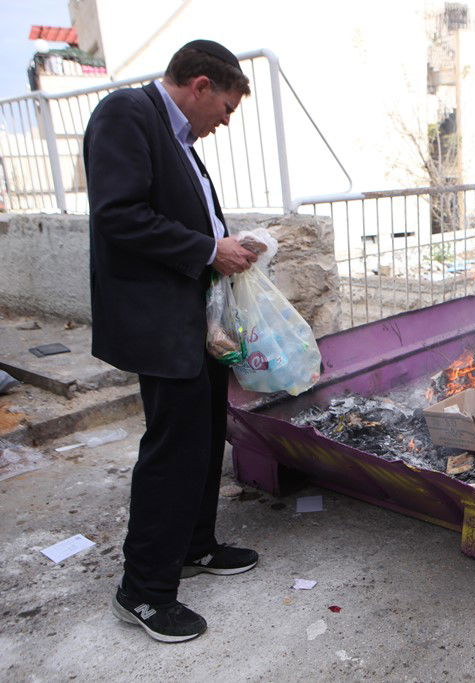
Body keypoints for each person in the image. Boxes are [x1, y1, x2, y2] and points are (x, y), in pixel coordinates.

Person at [85, 39, 260, 643]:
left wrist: (225, 243)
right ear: (201, 85)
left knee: (208, 434)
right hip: (159, 321)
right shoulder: (126, 114)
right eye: (227, 108)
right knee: (173, 448)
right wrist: (209, 249)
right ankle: (144, 591)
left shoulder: (179, 140)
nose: (225, 122)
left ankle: (195, 545)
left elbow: (181, 218)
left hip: (194, 318)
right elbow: (119, 214)